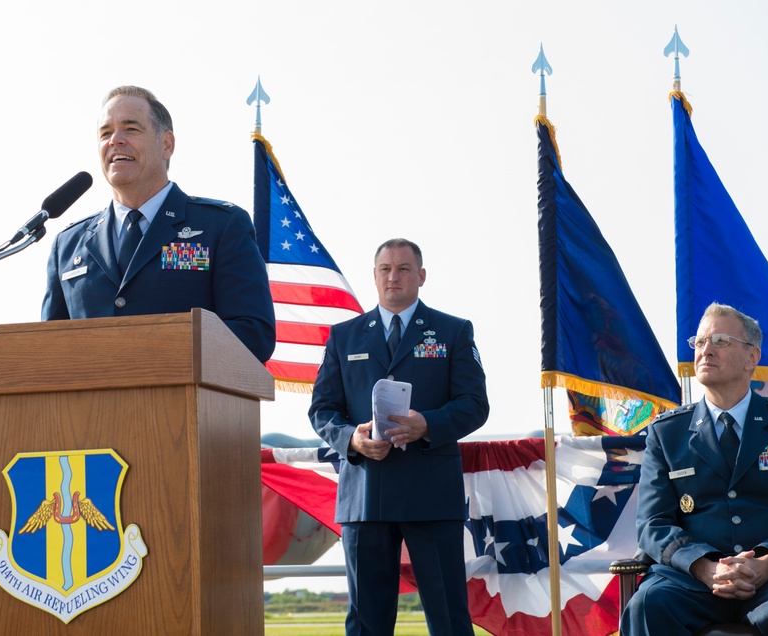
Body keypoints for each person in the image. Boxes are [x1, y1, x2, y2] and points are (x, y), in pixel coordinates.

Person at [309, 238, 489, 635]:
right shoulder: (344, 336)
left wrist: (428, 424)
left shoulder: (453, 331)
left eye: (404, 268)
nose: (394, 276)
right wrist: (350, 440)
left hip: (430, 494)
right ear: (374, 276)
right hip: (365, 496)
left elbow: (475, 404)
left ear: (421, 276)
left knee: (448, 618)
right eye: (386, 269)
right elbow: (322, 411)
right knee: (366, 622)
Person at [41, 85, 276, 362]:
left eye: (131, 129)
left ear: (167, 145)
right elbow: (49, 349)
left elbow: (253, 335)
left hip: (185, 403)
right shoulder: (68, 245)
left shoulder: (220, 226)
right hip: (89, 406)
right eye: (105, 133)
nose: (115, 140)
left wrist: (150, 349)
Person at [621, 302, 768, 636]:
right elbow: (652, 523)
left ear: (752, 357)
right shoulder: (667, 433)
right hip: (692, 582)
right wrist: (704, 567)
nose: (706, 351)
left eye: (720, 341)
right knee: (649, 602)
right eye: (700, 342)